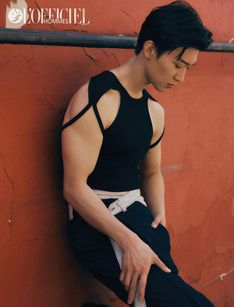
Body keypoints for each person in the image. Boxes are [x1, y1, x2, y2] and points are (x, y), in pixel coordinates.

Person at [60, 1, 214, 306]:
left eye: (188, 68)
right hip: (99, 229)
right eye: (177, 64)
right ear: (150, 49)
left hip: (139, 221)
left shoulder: (154, 112)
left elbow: (152, 173)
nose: (181, 77)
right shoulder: (98, 100)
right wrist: (129, 241)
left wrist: (160, 221)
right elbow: (74, 189)